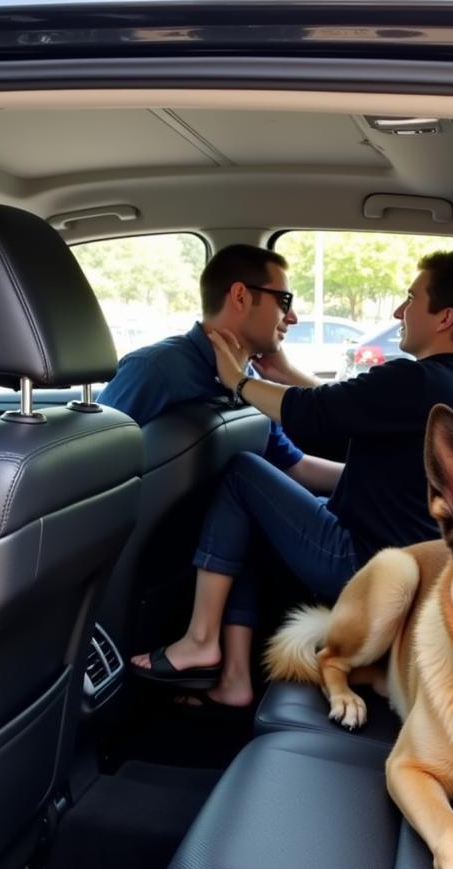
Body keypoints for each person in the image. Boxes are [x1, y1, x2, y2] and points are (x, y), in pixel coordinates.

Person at [131, 250, 453, 709]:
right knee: (253, 520)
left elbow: (318, 413)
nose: (398, 311)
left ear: (445, 317)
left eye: (411, 299)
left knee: (242, 475)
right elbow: (350, 407)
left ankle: (200, 637)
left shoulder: (417, 381)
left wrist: (238, 380)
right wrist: (282, 373)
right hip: (398, 567)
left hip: (363, 563)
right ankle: (234, 680)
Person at [100, 245, 343, 701]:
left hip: (201, 556)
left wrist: (376, 484)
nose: (291, 318)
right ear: (240, 295)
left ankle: (233, 678)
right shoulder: (158, 369)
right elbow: (95, 462)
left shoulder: (246, 378)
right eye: (284, 302)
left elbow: (296, 466)